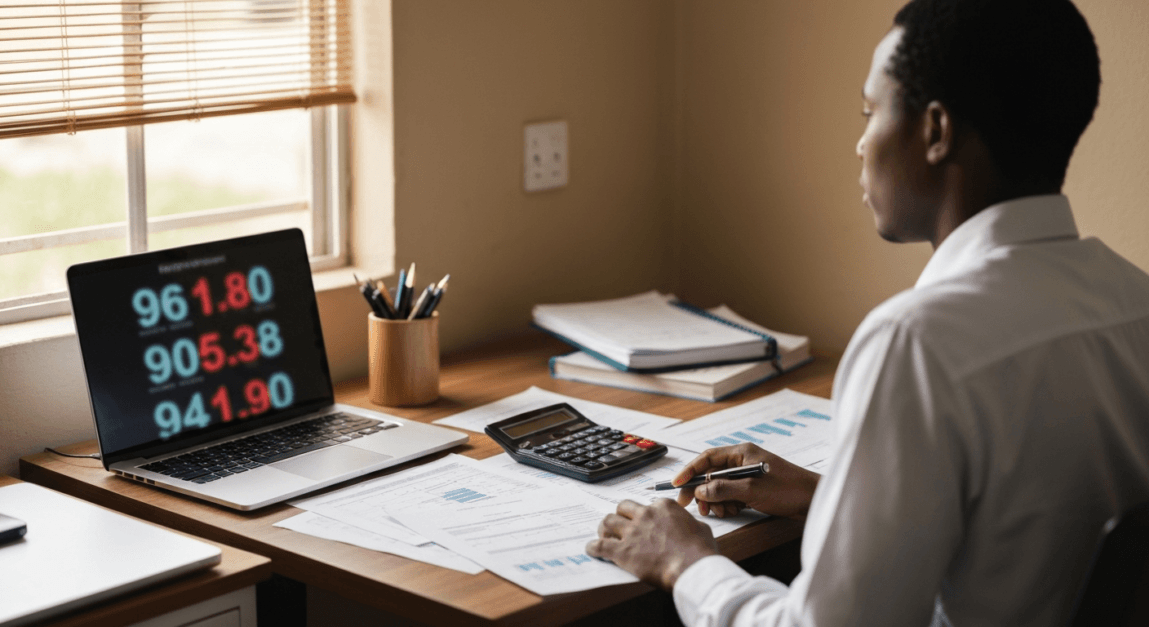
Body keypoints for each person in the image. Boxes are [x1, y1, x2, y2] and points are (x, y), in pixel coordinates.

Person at [586, 0, 1149, 625]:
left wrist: (684, 561)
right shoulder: (1134, 304)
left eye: (870, 111)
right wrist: (831, 498)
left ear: (935, 132)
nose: (860, 142)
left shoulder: (917, 343)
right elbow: (1035, 532)